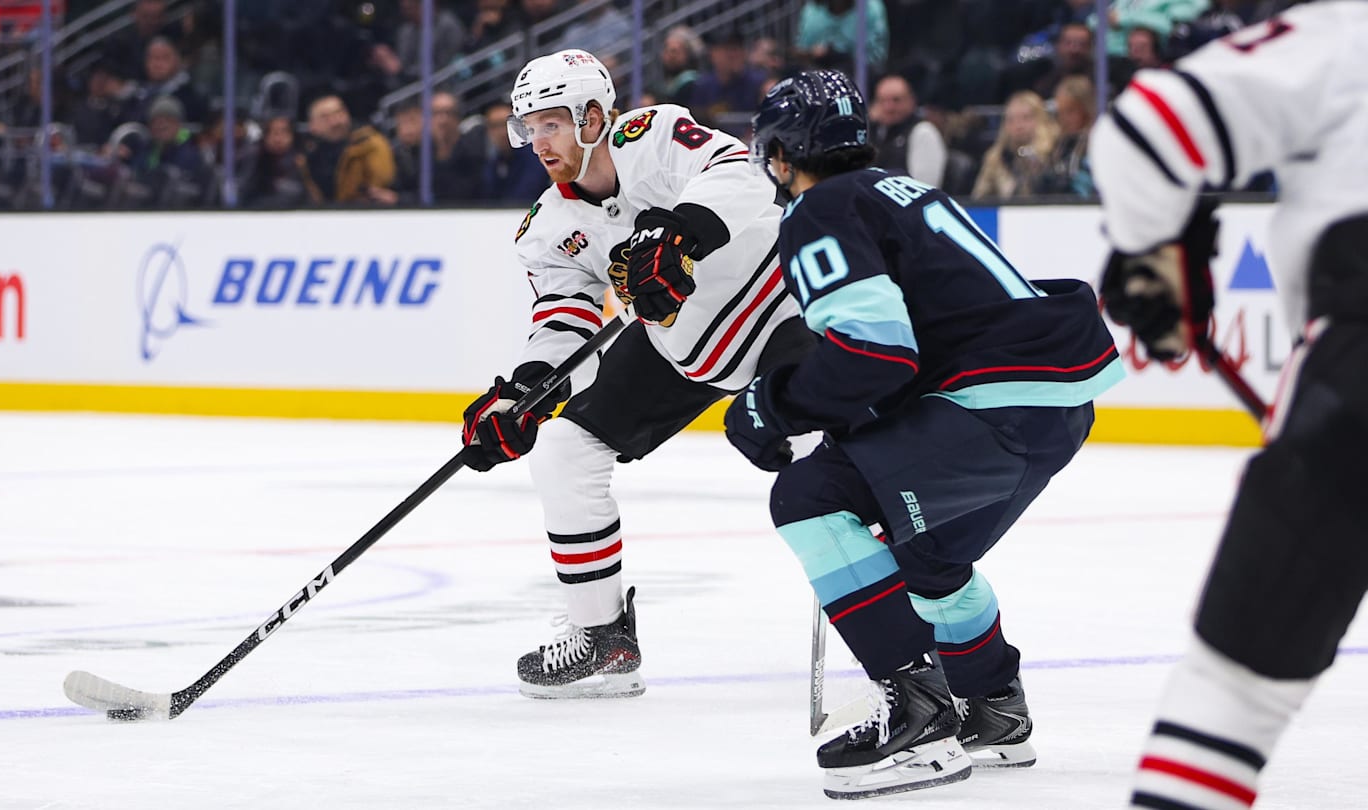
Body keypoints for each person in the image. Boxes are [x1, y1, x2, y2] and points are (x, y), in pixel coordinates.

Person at [731, 68, 1124, 799]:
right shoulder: (899, 190)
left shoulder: (821, 209)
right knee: (927, 559)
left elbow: (875, 352)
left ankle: (918, 713)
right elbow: (916, 339)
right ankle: (994, 708)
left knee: (811, 497)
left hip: (991, 405)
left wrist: (772, 407)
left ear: (783, 155)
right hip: (1053, 407)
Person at [460, 49, 815, 699]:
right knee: (565, 451)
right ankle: (602, 637)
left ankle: (922, 651)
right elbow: (564, 319)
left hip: (780, 304)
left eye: (551, 124)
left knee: (835, 464)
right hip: (686, 339)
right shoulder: (548, 226)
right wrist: (527, 390)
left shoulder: (647, 135)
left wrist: (677, 233)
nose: (538, 142)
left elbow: (741, 172)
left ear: (594, 115)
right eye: (527, 128)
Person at [1090, 4, 1368, 808]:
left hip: (1356, 389)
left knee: (1232, 700)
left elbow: (1147, 126)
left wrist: (1158, 248)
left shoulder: (1348, 32)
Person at [867, 74, 947, 188]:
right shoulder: (874, 133)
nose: (889, 108)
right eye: (882, 101)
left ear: (911, 101)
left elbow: (925, 188)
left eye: (896, 100)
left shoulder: (923, 132)